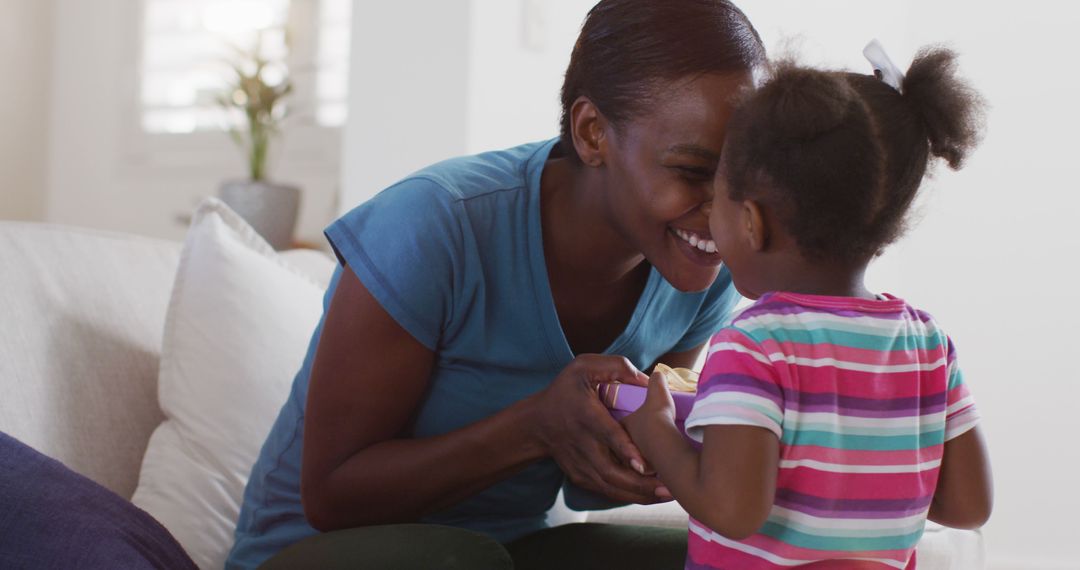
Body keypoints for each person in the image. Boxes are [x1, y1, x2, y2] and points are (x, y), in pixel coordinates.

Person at [226, 1, 767, 568]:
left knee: (729, 560)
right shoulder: (434, 226)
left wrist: (653, 458)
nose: (725, 211)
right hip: (314, 552)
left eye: (742, 176)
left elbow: (597, 481)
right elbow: (332, 497)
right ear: (593, 134)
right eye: (691, 171)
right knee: (463, 559)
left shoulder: (707, 264)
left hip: (515, 550)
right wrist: (537, 426)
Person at [622, 43, 993, 569]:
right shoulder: (927, 343)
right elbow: (969, 505)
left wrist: (656, 430)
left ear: (751, 221)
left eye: (718, 198)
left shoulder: (753, 344)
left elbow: (732, 510)